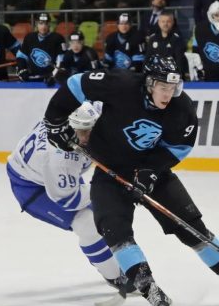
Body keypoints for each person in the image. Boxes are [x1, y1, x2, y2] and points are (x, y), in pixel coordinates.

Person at [41, 55, 219, 306]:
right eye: (163, 88)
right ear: (149, 83)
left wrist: (150, 172)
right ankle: (150, 289)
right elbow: (75, 84)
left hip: (151, 170)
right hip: (111, 172)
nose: (168, 94)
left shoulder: (182, 108)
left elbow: (180, 147)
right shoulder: (120, 85)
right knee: (114, 231)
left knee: (190, 227)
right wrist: (54, 120)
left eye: (172, 88)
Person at [7, 101, 132, 293]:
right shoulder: (60, 158)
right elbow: (69, 199)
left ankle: (105, 260)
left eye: (89, 130)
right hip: (32, 186)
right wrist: (111, 192)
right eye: (81, 132)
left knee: (104, 216)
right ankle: (116, 278)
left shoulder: (82, 113)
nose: (85, 137)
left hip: (48, 173)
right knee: (87, 223)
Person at [16, 13, 66, 85]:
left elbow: (61, 61)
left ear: (49, 24)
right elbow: (21, 56)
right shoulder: (29, 37)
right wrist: (22, 69)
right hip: (32, 78)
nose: (43, 26)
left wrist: (53, 76)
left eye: (46, 23)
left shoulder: (58, 38)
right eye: (41, 23)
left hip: (51, 80)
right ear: (36, 24)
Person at [145, 12, 189, 79]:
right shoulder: (153, 39)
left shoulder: (177, 39)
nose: (165, 24)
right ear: (159, 23)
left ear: (172, 22)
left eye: (168, 21)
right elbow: (148, 59)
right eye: (163, 21)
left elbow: (179, 61)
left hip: (172, 76)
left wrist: (178, 76)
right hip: (156, 76)